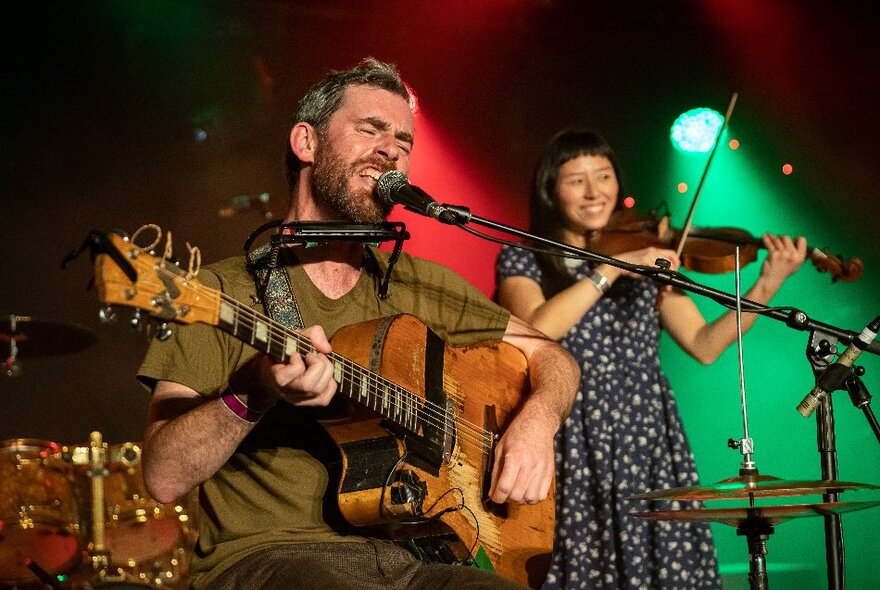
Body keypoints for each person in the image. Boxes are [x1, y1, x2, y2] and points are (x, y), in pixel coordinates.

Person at [137, 58, 579, 590]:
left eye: (404, 141)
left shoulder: (421, 283)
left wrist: (538, 418)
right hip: (269, 560)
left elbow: (551, 353)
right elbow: (162, 477)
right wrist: (252, 390)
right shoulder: (219, 290)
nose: (392, 148)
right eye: (369, 130)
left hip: (412, 558)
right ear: (307, 142)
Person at [494, 128, 807, 590]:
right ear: (549, 190)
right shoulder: (526, 259)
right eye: (576, 179)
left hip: (647, 429)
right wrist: (609, 269)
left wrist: (767, 285)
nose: (594, 191)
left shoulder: (645, 260)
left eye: (603, 176)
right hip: (570, 425)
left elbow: (703, 343)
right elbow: (539, 325)